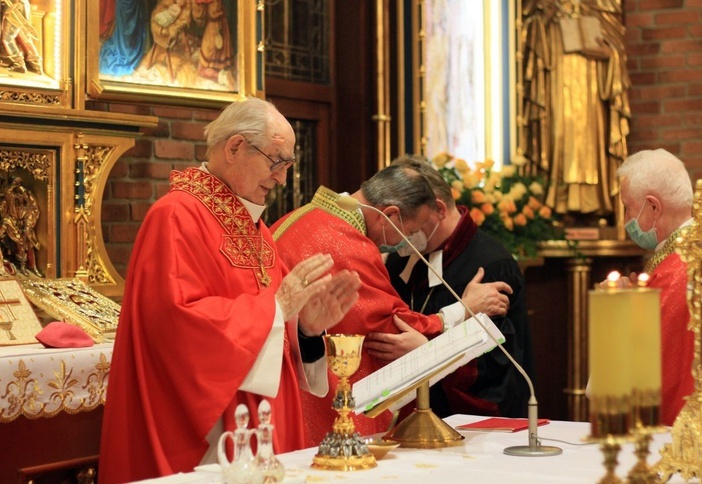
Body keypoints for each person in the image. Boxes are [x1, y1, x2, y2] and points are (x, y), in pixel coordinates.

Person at [99, 97, 362, 483]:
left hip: (264, 423)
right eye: (276, 161)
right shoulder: (175, 216)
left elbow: (274, 323)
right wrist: (276, 309)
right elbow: (177, 325)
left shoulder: (257, 229)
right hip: (212, 435)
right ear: (235, 147)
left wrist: (304, 329)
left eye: (288, 165)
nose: (282, 178)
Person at [271, 162, 512, 447]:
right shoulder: (347, 243)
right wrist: (462, 309)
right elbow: (389, 324)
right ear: (390, 215)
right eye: (410, 231)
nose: (408, 242)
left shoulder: (303, 216)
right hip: (307, 387)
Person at [367, 155, 536, 419]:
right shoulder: (401, 260)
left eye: (413, 221)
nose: (405, 232)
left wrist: (426, 352)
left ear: (439, 209)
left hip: (467, 420)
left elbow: (492, 365)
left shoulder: (490, 265)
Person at [616, 148, 702, 429]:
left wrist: (616, 307)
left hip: (679, 442)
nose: (626, 220)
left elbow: (639, 369)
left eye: (627, 207)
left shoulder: (677, 272)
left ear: (653, 207)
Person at [520, 0, 630, 217]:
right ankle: (555, 203)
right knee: (557, 134)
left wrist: (609, 54)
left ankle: (596, 205)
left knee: (590, 138)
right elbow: (524, 40)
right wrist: (544, 12)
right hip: (554, 78)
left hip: (591, 81)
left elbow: (615, 40)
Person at [0, 176, 42, 277]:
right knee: (16, 242)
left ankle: (29, 267)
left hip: (25, 223)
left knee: (27, 245)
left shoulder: (26, 196)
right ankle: (15, 265)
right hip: (11, 222)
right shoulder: (9, 196)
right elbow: (6, 201)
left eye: (19, 183)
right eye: (15, 183)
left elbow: (33, 209)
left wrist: (28, 224)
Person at [0, 0, 42, 74]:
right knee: (20, 35)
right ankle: (33, 63)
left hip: (17, 6)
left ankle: (20, 64)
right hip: (11, 5)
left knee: (8, 38)